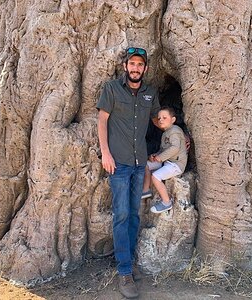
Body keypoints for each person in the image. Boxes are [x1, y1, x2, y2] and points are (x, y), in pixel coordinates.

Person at [96, 47, 160, 299]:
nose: (135, 68)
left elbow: (157, 120)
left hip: (139, 163)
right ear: (125, 66)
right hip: (119, 164)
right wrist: (106, 154)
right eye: (131, 63)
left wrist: (179, 134)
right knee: (121, 215)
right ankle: (124, 271)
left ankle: (129, 261)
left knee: (134, 214)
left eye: (139, 65)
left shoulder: (150, 93)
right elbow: (102, 120)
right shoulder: (112, 89)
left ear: (145, 69)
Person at [141, 106, 188, 213]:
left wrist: (160, 157)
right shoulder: (166, 133)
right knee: (146, 165)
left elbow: (175, 148)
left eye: (164, 117)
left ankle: (166, 202)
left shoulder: (175, 131)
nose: (160, 120)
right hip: (167, 162)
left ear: (173, 120)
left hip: (176, 164)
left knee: (156, 176)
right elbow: (163, 149)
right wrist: (155, 155)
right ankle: (146, 189)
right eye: (159, 118)